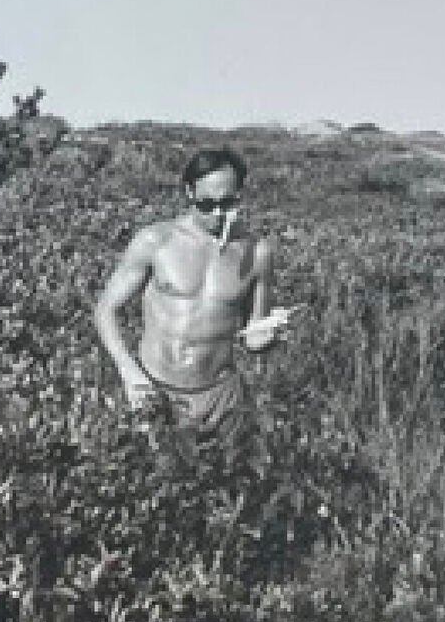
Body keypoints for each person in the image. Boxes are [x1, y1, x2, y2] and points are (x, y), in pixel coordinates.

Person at [93, 146, 296, 442]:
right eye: (206, 204)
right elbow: (105, 309)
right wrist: (128, 370)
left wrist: (272, 333)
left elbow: (253, 338)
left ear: (239, 195)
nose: (217, 213)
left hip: (221, 399)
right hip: (155, 390)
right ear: (189, 192)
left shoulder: (257, 253)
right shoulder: (156, 241)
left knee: (230, 470)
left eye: (228, 203)